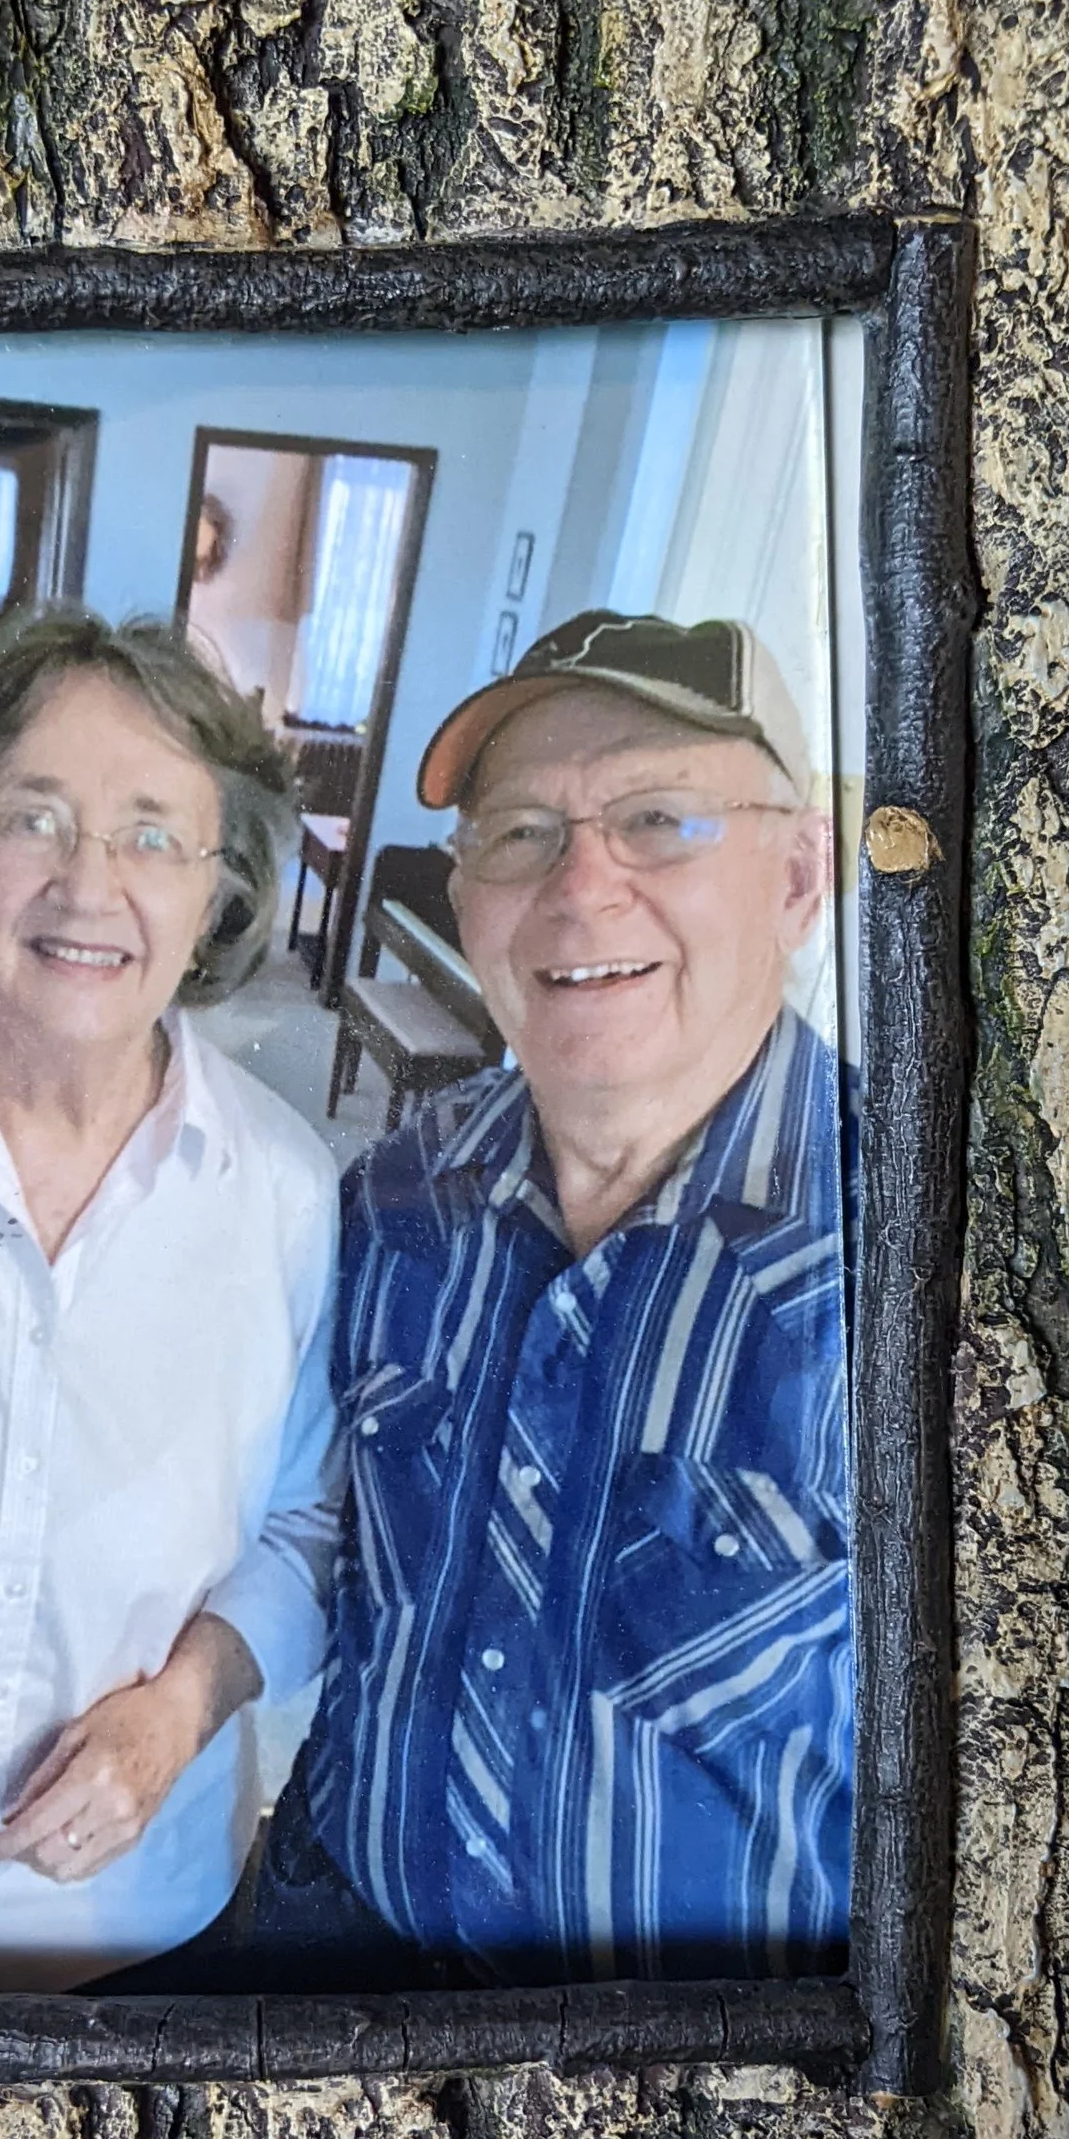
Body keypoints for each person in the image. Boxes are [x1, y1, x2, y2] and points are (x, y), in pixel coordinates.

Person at [250, 608, 853, 1988]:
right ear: (462, 895)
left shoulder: (920, 1268)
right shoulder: (391, 1201)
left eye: (660, 820)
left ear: (799, 878)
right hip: (325, 1941)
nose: (583, 888)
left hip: (690, 2083)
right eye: (521, 832)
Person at [0, 612, 340, 1994]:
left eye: (154, 833)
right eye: (35, 818)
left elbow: (308, 1524)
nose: (90, 884)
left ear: (220, 896)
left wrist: (178, 1715)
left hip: (140, 1926)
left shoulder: (282, 1186)